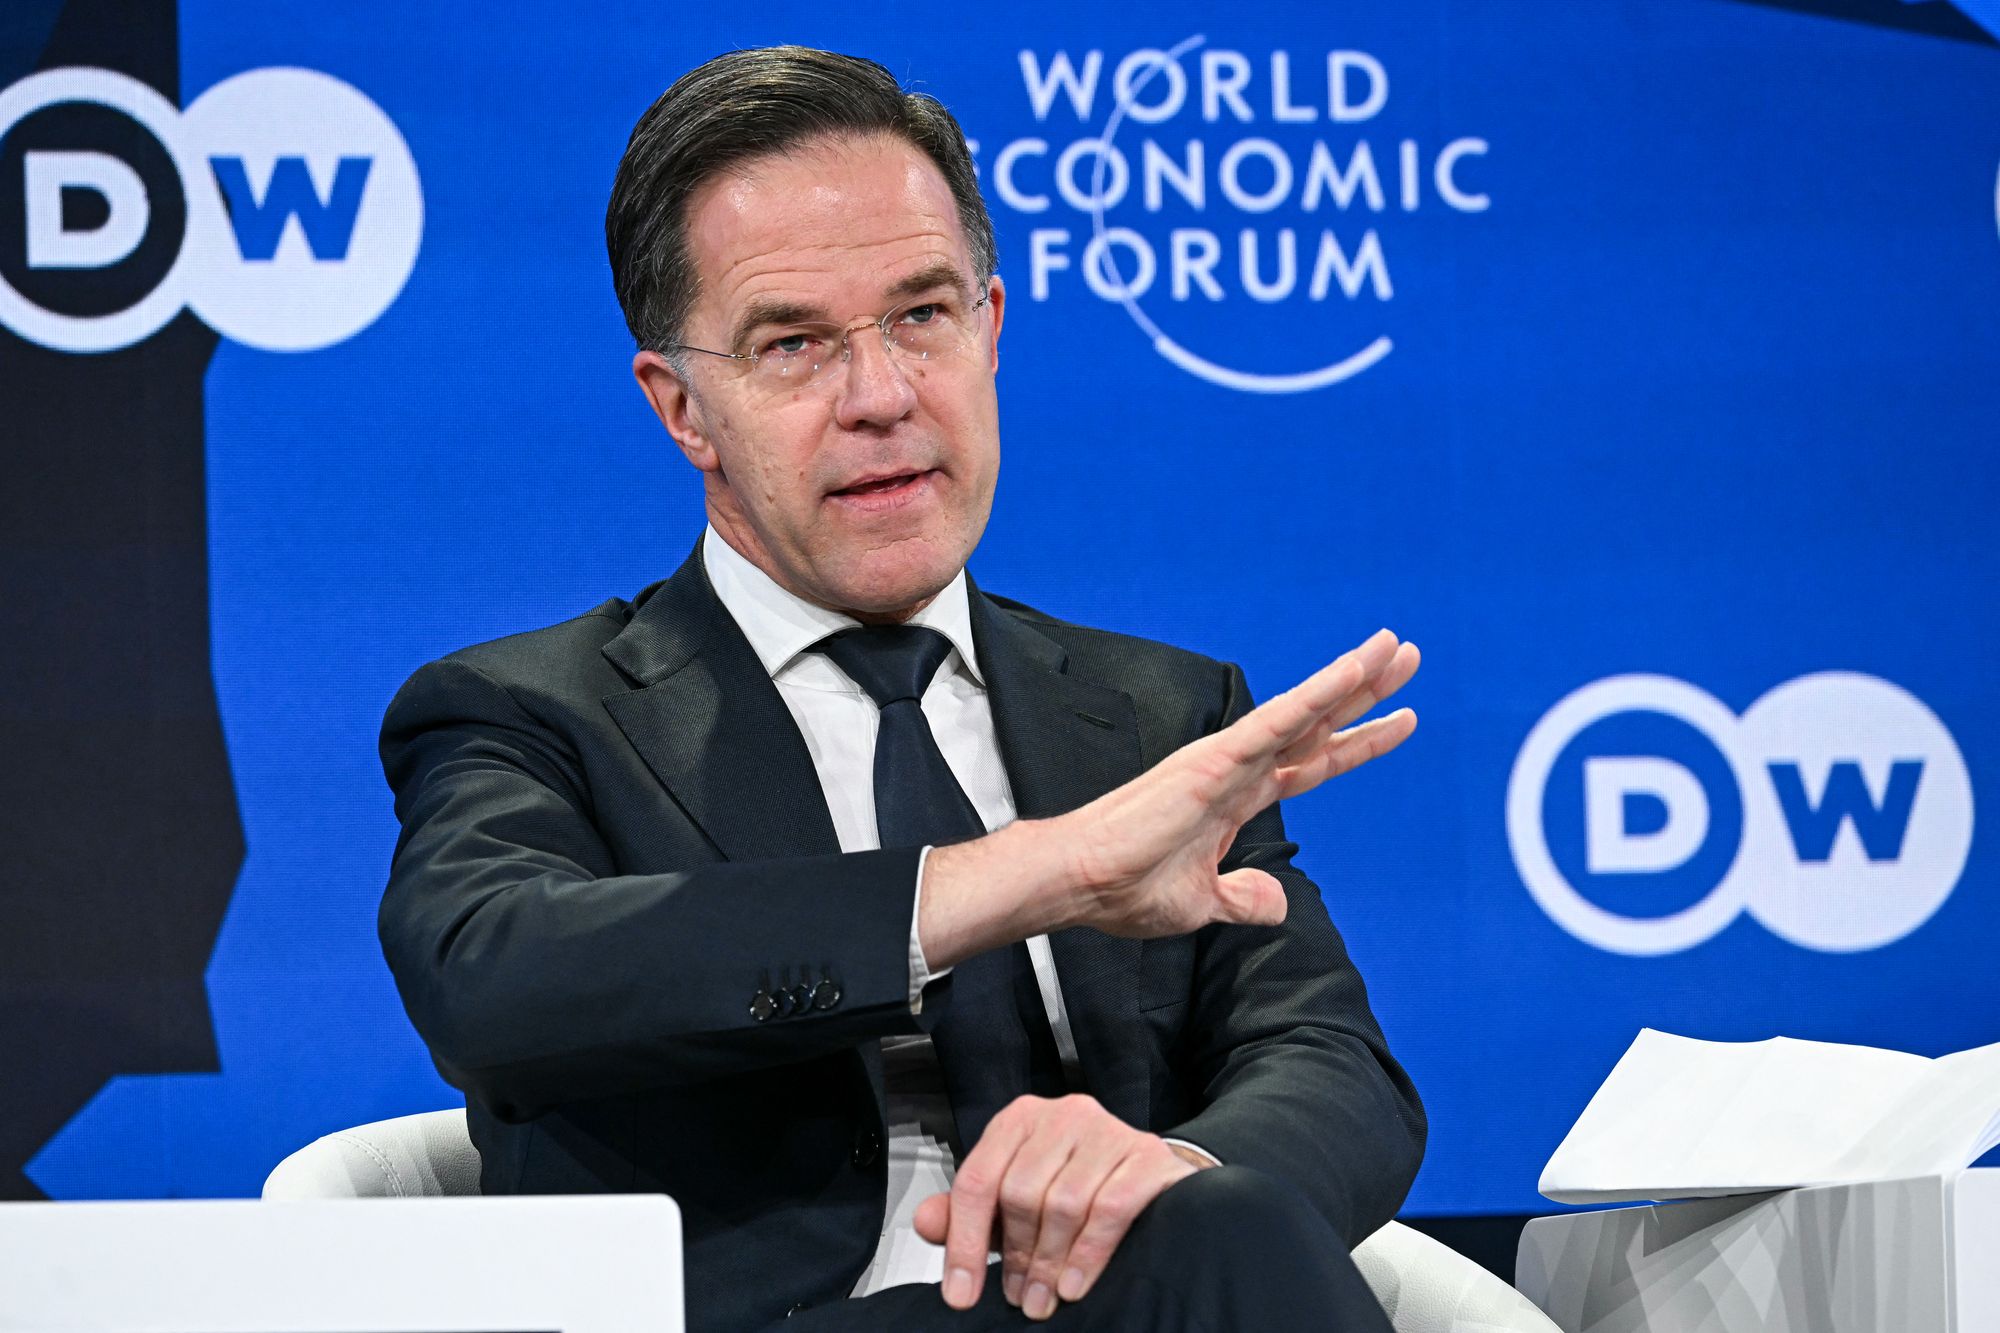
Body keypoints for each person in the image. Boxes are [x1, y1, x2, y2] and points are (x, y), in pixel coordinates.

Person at [379, 45, 1425, 1332]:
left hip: (1134, 1295)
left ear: (991, 329)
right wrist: (1045, 872)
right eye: (792, 344)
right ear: (682, 408)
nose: (880, 397)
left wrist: (1165, 1173)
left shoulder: (1161, 714)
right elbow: (496, 982)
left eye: (922, 316)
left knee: (1214, 1222)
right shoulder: (534, 712)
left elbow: (1331, 1067)